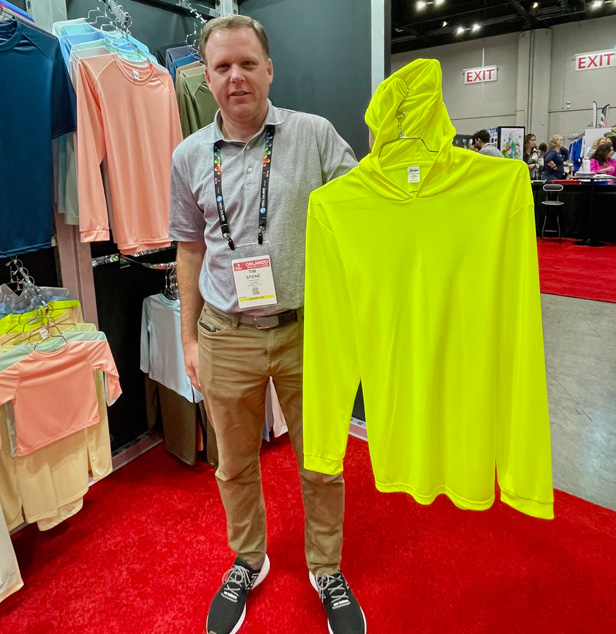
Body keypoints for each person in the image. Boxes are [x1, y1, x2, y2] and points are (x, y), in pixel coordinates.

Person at [168, 15, 365, 634]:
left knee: (323, 460)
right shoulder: (189, 155)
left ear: (269, 69)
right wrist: (188, 342)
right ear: (206, 76)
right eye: (222, 67)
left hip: (309, 331)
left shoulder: (313, 135)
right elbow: (190, 249)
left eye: (247, 64)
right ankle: (249, 559)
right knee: (232, 464)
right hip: (225, 334)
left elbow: (361, 214)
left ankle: (325, 566)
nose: (235, 78)